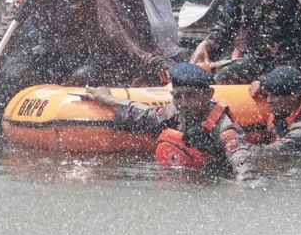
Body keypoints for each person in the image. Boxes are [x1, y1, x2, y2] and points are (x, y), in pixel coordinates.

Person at [82, 63, 255, 182]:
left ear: (208, 94)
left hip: (213, 177)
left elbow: (241, 162)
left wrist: (243, 183)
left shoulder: (224, 127)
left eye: (191, 96)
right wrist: (108, 99)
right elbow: (146, 115)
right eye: (178, 96)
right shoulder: (175, 110)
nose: (184, 103)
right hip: (181, 174)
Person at [93, 0, 174, 85]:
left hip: (137, 60)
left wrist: (157, 57)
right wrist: (149, 60)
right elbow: (118, 39)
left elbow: (145, 34)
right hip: (113, 64)